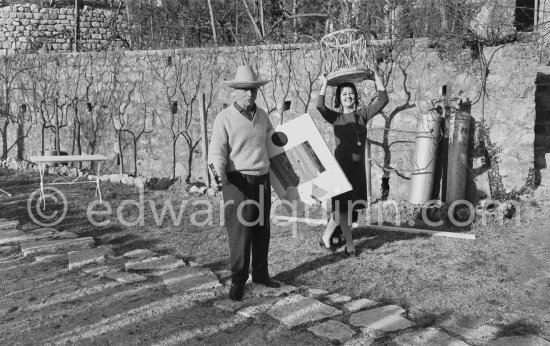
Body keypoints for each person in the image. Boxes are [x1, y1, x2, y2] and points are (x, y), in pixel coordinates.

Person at [208, 65, 281, 302]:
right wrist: (218, 174)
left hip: (261, 179)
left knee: (262, 229)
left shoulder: (263, 117)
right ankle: (238, 280)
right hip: (236, 181)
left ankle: (261, 274)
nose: (249, 94)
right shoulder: (224, 118)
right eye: (244, 90)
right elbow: (217, 152)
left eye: (253, 90)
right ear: (235, 92)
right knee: (240, 232)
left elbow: (273, 146)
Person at [316, 68, 389, 256]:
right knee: (343, 208)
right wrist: (324, 84)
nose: (348, 96)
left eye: (350, 94)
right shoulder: (336, 117)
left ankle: (325, 238)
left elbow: (383, 100)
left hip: (357, 170)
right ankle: (349, 243)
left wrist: (376, 77)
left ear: (355, 97)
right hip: (340, 169)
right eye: (344, 94)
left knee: (343, 207)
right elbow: (320, 107)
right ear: (339, 99)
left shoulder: (362, 116)